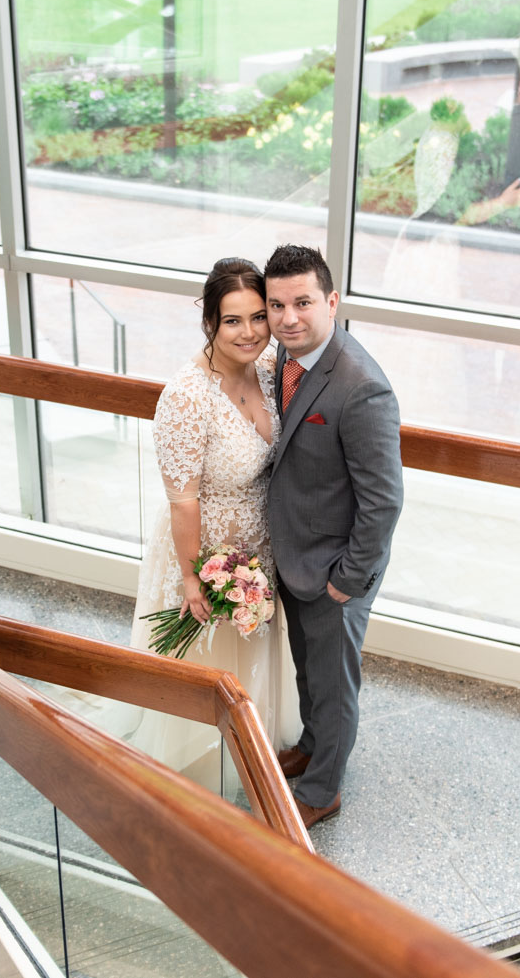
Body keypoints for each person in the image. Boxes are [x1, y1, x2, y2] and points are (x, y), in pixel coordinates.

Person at [128, 257, 300, 785]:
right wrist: (192, 574)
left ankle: (252, 749)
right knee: (209, 663)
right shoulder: (186, 397)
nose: (249, 333)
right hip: (206, 550)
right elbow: (183, 501)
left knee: (253, 656)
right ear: (209, 322)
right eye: (232, 321)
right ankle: (201, 768)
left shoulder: (271, 369)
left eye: (257, 317)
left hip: (261, 547)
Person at [264, 244, 403, 828]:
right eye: (276, 305)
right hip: (296, 556)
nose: (288, 317)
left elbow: (384, 500)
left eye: (302, 303)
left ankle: (323, 790)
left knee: (335, 679)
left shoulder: (361, 386)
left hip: (335, 570)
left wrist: (349, 582)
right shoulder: (284, 360)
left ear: (332, 301)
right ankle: (313, 745)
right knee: (307, 667)